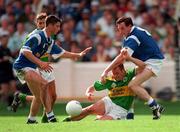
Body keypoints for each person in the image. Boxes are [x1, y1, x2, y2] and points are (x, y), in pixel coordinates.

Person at [13, 15, 92, 124]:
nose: (59, 29)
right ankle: (51, 117)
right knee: (44, 84)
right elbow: (24, 51)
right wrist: (41, 63)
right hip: (21, 67)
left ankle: (31, 120)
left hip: (32, 67)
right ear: (49, 25)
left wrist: (78, 54)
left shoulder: (49, 40)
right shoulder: (37, 36)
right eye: (57, 26)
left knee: (38, 97)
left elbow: (61, 52)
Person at [101, 16, 165, 119]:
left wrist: (105, 71)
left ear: (129, 26)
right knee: (128, 84)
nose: (120, 32)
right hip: (145, 61)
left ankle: (155, 106)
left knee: (132, 85)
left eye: (122, 28)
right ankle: (130, 114)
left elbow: (122, 58)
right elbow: (124, 57)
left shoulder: (133, 37)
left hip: (152, 62)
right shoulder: (132, 33)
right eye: (118, 29)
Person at [63, 51, 146, 121]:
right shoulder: (109, 79)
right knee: (89, 109)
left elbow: (143, 66)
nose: (115, 76)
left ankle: (101, 117)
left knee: (100, 122)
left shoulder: (130, 74)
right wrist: (88, 93)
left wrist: (130, 58)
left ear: (123, 70)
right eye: (113, 74)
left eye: (117, 73)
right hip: (109, 102)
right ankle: (69, 119)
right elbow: (92, 88)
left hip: (120, 109)